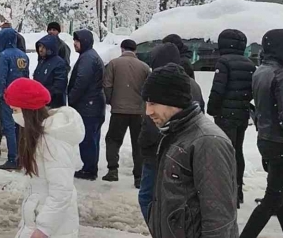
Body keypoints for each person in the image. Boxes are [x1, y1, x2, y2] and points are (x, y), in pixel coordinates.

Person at [144, 63, 239, 237]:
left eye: (153, 103)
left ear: (173, 100)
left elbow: (219, 220)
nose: (148, 111)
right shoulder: (175, 131)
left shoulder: (207, 141)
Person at [5, 78, 85, 238]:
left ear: (28, 110)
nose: (13, 116)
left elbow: (61, 191)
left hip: (53, 229)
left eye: (15, 110)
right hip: (39, 220)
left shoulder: (52, 140)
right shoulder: (39, 136)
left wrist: (43, 230)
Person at [240, 29, 283, 238]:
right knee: (272, 200)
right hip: (282, 142)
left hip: (265, 138)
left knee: (282, 198)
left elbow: (258, 108)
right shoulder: (282, 75)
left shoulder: (261, 71)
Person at [137, 42, 204, 221]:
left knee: (148, 197)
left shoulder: (160, 85)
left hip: (159, 151)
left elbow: (152, 124)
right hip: (181, 151)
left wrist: (144, 144)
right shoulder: (192, 84)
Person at [206, 29, 256, 208]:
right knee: (238, 151)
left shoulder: (224, 62)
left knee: (224, 153)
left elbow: (218, 89)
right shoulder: (250, 64)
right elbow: (252, 90)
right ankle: (238, 191)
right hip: (241, 114)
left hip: (225, 116)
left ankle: (226, 192)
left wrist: (212, 109)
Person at [102, 39, 150, 186]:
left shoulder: (113, 64)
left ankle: (112, 170)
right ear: (135, 50)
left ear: (122, 49)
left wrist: (111, 101)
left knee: (113, 140)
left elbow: (107, 85)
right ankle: (138, 177)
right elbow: (148, 89)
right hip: (138, 111)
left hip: (119, 111)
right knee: (138, 143)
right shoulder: (144, 67)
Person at [68, 29, 105, 180]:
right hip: (93, 104)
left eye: (77, 41)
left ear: (84, 41)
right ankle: (90, 167)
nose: (74, 43)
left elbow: (81, 82)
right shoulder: (89, 56)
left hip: (89, 106)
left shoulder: (88, 58)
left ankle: (89, 169)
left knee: (88, 138)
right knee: (92, 138)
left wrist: (70, 99)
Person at [0, 27, 30, 171]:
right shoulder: (23, 55)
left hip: (8, 96)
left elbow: (1, 77)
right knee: (19, 127)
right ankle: (21, 156)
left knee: (8, 126)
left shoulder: (4, 55)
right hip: (21, 95)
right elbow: (26, 76)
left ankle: (12, 158)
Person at [33, 34, 68, 108]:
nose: (40, 49)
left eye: (43, 47)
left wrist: (45, 95)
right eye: (39, 46)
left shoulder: (59, 63)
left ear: (50, 48)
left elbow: (59, 86)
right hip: (41, 102)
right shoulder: (42, 60)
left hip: (53, 104)